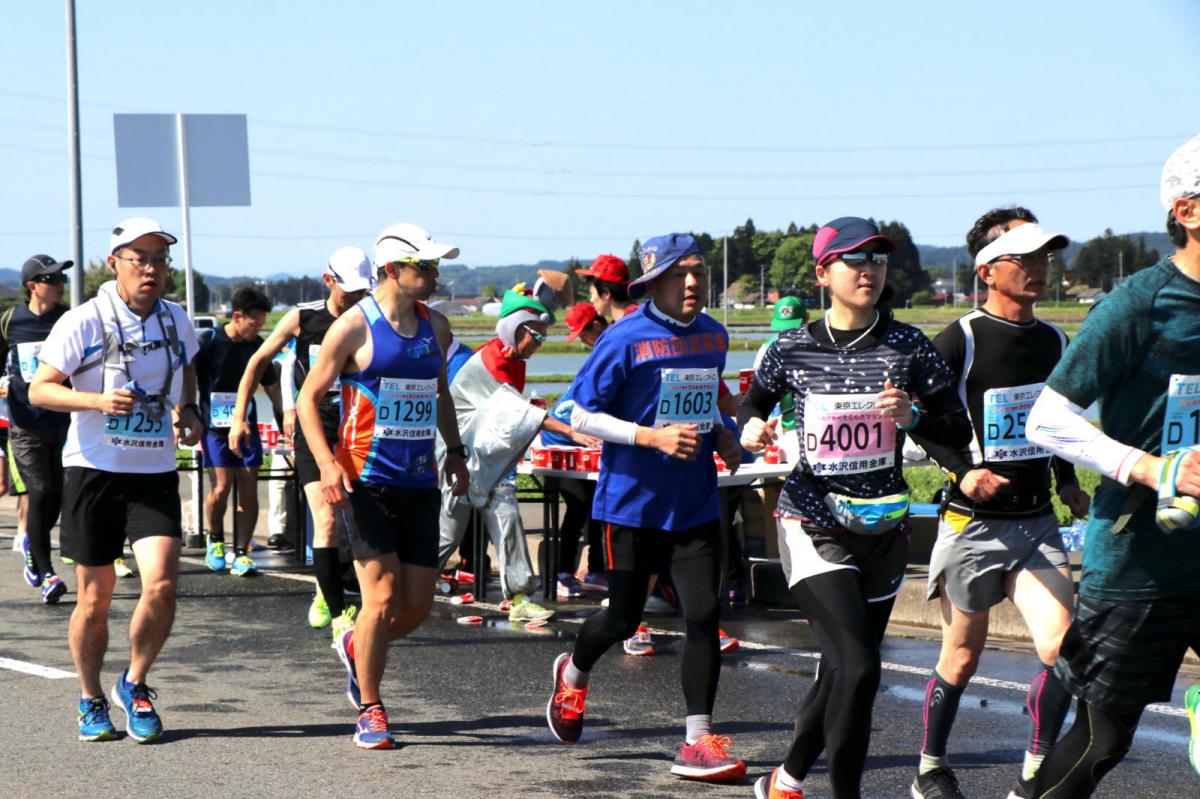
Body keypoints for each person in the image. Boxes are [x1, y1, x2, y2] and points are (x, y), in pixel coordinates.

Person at [737, 217, 971, 799]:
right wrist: (751, 431)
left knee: (844, 672)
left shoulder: (908, 344)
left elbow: (956, 427)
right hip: (811, 521)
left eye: (878, 260)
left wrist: (913, 418)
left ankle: (785, 779)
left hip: (883, 528)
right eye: (854, 260)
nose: (869, 271)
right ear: (824, 273)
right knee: (861, 668)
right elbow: (749, 409)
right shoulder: (790, 348)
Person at [1023, 134, 1200, 797]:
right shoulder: (1139, 304)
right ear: (1188, 211)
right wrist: (1153, 468)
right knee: (1102, 739)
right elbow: (1047, 418)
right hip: (1139, 560)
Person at [546, 233, 748, 782]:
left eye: (700, 273)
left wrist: (727, 435)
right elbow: (577, 413)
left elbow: (709, 397)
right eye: (679, 275)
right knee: (622, 618)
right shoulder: (623, 338)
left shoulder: (713, 335)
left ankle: (697, 739)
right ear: (651, 283)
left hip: (695, 505)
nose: (692, 284)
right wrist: (649, 438)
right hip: (631, 507)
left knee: (704, 615)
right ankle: (575, 670)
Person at [907, 210, 1090, 799]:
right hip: (973, 525)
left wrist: (1065, 480)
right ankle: (930, 768)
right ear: (989, 270)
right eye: (1026, 259)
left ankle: (1035, 770)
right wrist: (964, 472)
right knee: (960, 659)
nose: (1040, 271)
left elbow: (1052, 421)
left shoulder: (1056, 339)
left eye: (1046, 259)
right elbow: (916, 421)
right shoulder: (959, 338)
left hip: (1036, 522)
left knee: (1062, 648)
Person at [29, 217, 203, 743]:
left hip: (153, 472)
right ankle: (90, 697)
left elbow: (188, 367)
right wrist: (97, 400)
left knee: (163, 583)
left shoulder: (176, 320)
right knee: (95, 598)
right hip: (93, 470)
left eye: (159, 260)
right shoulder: (83, 321)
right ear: (115, 264)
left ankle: (135, 681)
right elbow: (41, 390)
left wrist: (188, 409)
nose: (152, 269)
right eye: (140, 259)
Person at [298, 222, 469, 749]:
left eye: (438, 265)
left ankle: (356, 645)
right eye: (426, 266)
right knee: (382, 596)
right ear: (394, 270)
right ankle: (370, 708)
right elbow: (308, 399)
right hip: (365, 481)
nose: (436, 274)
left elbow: (439, 393)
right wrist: (327, 463)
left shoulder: (435, 327)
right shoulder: (353, 327)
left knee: (416, 608)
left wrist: (456, 451)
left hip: (419, 483)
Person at [229, 247, 372, 635]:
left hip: (359, 431)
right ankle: (340, 614)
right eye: (349, 291)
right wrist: (240, 415)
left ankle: (335, 588)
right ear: (329, 281)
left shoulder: (372, 317)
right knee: (325, 518)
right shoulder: (303, 317)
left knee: (356, 522)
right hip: (316, 430)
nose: (357, 299)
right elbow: (259, 361)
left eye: (363, 291)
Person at [437, 288, 594, 622]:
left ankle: (520, 596)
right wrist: (570, 431)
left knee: (506, 513)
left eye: (543, 337)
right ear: (515, 329)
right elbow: (514, 411)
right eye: (534, 334)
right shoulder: (494, 360)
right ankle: (400, 579)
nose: (539, 343)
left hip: (483, 455)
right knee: (447, 534)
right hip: (458, 454)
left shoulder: (514, 359)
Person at [195, 287, 283, 577]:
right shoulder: (209, 341)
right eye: (254, 323)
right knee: (221, 488)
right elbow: (187, 378)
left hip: (247, 427)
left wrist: (286, 419)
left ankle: (242, 552)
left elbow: (273, 389)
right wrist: (182, 414)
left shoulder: (257, 347)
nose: (258, 329)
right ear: (237, 316)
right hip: (214, 428)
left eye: (261, 324)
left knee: (248, 487)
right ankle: (216, 539)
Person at [1, 255, 72, 601]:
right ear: (33, 286)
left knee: (56, 498)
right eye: (53, 280)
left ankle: (32, 542)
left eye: (62, 279)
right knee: (40, 493)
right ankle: (47, 575)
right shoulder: (10, 320)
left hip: (63, 422)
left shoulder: (68, 320)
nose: (61, 285)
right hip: (25, 425)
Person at [542, 302, 608, 598]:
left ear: (597, 325)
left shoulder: (608, 349)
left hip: (588, 442)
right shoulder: (601, 353)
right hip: (561, 442)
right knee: (579, 504)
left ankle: (596, 571)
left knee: (596, 505)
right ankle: (563, 572)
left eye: (583, 334)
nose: (582, 340)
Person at [576, 254, 639, 321]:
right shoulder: (641, 316)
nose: (591, 300)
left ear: (606, 293)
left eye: (592, 293)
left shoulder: (624, 328)